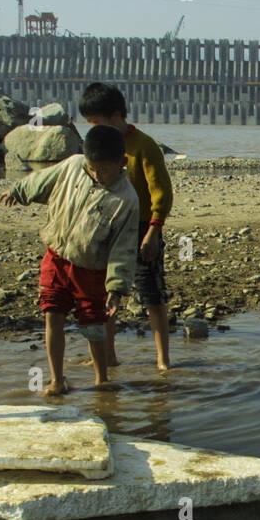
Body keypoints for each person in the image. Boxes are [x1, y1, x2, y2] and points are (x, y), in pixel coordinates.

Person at [0, 124, 140, 395]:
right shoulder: (74, 166)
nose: (98, 175)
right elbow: (41, 180)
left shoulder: (127, 199)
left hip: (91, 270)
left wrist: (116, 288)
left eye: (105, 170)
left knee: (94, 325)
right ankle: (57, 380)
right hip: (56, 258)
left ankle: (101, 378)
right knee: (52, 315)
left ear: (121, 163)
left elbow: (123, 249)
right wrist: (18, 192)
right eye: (93, 168)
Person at [77, 82, 174, 371]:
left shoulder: (144, 146)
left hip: (143, 228)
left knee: (152, 296)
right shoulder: (96, 148)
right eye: (89, 124)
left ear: (116, 115)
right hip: (106, 228)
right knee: (106, 294)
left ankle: (162, 361)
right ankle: (107, 356)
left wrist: (153, 232)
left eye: (96, 122)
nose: (92, 129)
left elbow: (162, 193)